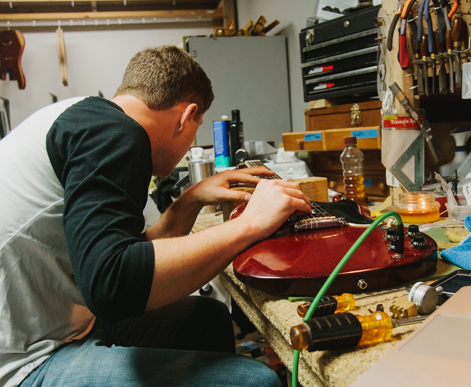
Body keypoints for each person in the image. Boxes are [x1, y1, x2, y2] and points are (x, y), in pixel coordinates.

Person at [0, 45, 311, 387]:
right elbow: (112, 285)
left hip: (56, 322)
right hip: (26, 361)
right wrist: (249, 225)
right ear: (187, 115)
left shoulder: (88, 119)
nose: (194, 140)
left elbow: (121, 261)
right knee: (257, 382)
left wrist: (190, 200)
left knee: (205, 317)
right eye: (197, 128)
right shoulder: (115, 133)